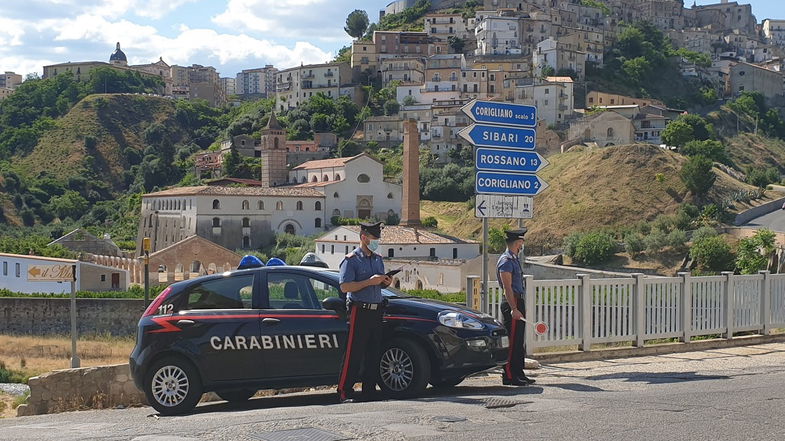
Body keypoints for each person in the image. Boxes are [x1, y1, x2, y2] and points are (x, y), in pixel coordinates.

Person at [337, 221, 392, 402]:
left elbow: (377, 285)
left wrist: (385, 282)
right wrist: (369, 281)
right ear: (363, 238)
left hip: (376, 310)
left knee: (373, 352)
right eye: (374, 238)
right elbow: (345, 286)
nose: (376, 241)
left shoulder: (377, 259)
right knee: (354, 353)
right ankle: (345, 391)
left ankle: (369, 391)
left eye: (378, 238)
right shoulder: (351, 260)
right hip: (359, 310)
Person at [497, 228, 535, 386]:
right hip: (512, 302)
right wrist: (513, 308)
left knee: (519, 341)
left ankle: (519, 373)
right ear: (518, 242)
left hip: (518, 301)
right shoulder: (506, 260)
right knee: (512, 341)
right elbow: (507, 288)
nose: (522, 245)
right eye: (521, 242)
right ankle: (510, 375)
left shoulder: (513, 258)